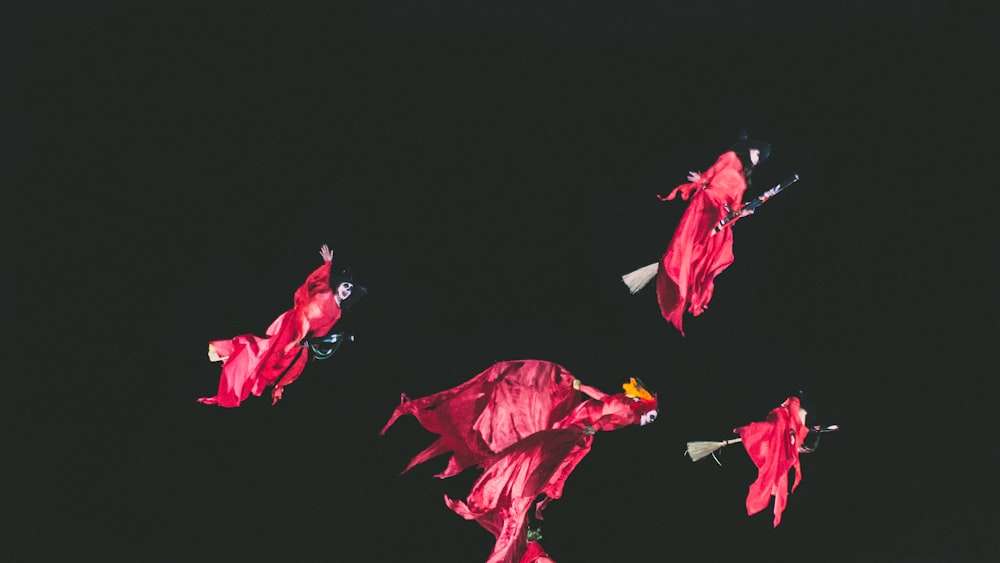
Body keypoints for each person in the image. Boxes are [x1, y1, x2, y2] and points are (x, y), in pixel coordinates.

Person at [381, 359, 658, 563]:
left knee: (542, 467)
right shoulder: (625, 412)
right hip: (577, 429)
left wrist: (580, 387)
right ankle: (518, 490)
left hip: (576, 429)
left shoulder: (625, 411)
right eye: (651, 415)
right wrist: (588, 426)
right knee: (543, 464)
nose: (648, 421)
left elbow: (601, 401)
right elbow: (603, 410)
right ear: (642, 405)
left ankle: (522, 492)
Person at [622, 132, 771, 335]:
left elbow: (733, 208)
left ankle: (689, 274)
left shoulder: (743, 180)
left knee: (714, 248)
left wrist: (744, 211)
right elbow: (712, 176)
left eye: (760, 158)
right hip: (707, 205)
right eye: (757, 153)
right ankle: (676, 265)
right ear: (747, 150)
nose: (757, 159)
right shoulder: (730, 159)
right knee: (692, 241)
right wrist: (702, 180)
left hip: (720, 213)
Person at [198, 244, 366, 407]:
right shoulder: (324, 292)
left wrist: (315, 348)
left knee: (288, 364)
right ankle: (229, 352)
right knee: (267, 350)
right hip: (292, 323)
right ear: (338, 285)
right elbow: (315, 281)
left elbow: (322, 331)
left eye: (350, 289)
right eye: (346, 285)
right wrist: (327, 265)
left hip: (302, 338)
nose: (348, 290)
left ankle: (267, 383)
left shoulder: (337, 313)